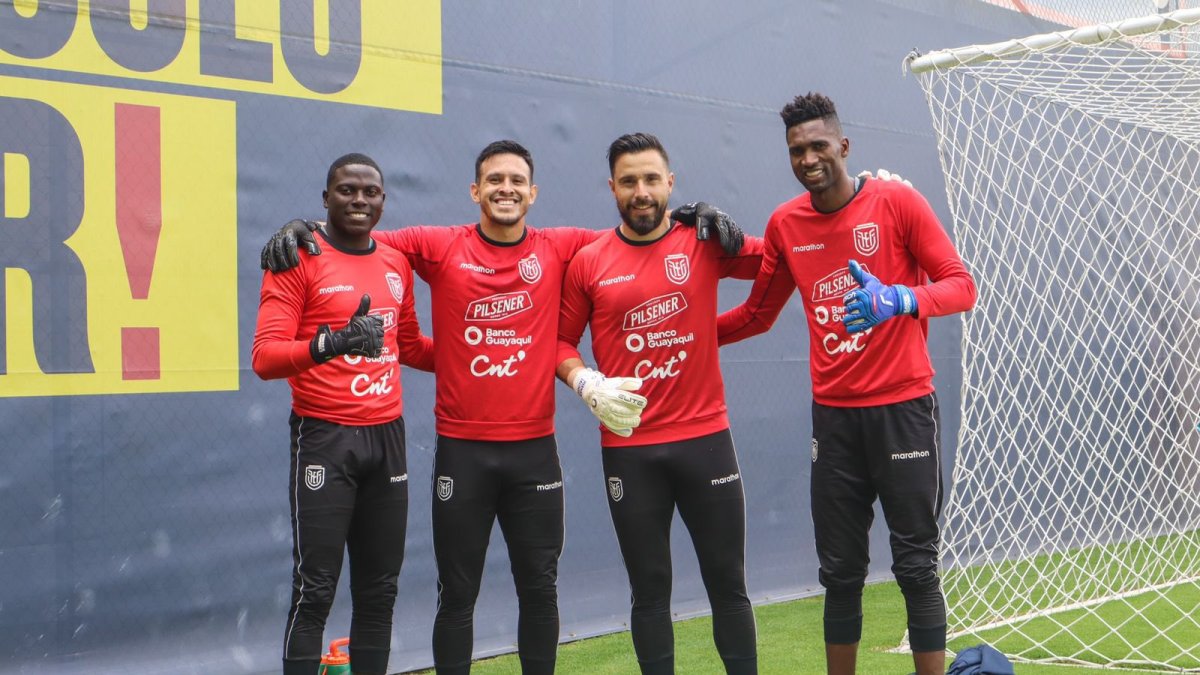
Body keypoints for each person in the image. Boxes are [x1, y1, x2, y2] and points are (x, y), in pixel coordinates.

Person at [256, 140, 744, 674]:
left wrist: (690, 216)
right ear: (475, 191)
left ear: (532, 193)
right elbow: (356, 234)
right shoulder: (435, 245)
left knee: (539, 589)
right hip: (459, 453)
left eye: (516, 181)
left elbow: (633, 234)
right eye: (494, 180)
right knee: (454, 595)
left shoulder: (563, 246)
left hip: (534, 452)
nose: (505, 189)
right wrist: (300, 227)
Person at [717, 92, 977, 675]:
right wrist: (689, 337)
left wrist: (900, 299)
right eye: (796, 150)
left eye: (818, 146)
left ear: (844, 147)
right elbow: (758, 314)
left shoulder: (897, 202)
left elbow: (961, 285)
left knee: (915, 563)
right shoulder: (786, 223)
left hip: (904, 409)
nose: (808, 158)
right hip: (833, 421)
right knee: (839, 570)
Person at [555, 132, 765, 675]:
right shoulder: (589, 261)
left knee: (728, 585)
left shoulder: (703, 241)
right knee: (649, 591)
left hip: (706, 441)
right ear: (612, 188)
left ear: (671, 183)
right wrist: (585, 383)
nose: (641, 191)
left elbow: (783, 258)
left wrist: (865, 196)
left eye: (652, 179)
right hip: (630, 449)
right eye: (629, 181)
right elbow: (559, 343)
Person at [251, 153, 434, 675]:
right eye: (346, 190)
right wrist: (330, 343)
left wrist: (487, 351)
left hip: (388, 440)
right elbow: (265, 358)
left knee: (380, 590)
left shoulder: (396, 261)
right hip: (326, 439)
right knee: (316, 590)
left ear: (383, 201)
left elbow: (412, 346)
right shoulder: (298, 256)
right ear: (325, 198)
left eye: (370, 192)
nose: (359, 200)